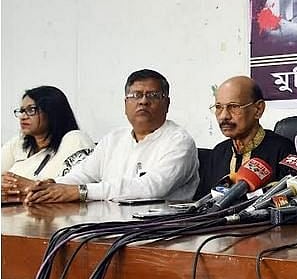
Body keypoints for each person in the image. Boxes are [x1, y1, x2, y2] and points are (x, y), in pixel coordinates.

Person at [24, 69, 199, 204]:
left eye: (152, 96)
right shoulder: (114, 139)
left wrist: (81, 192)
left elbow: (151, 187)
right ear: (125, 104)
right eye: (136, 95)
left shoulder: (179, 142)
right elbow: (83, 174)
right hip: (105, 224)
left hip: (160, 232)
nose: (143, 101)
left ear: (167, 104)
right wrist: (51, 185)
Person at [195, 76, 294, 199]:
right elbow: (202, 202)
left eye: (234, 106)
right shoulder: (219, 152)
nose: (224, 116)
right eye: (219, 107)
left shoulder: (282, 149)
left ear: (258, 109)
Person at [2, 86, 94, 200]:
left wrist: (30, 186)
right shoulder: (19, 143)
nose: (23, 117)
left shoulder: (75, 139)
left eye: (31, 110)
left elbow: (78, 187)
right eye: (21, 111)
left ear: (52, 112)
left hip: (58, 214)